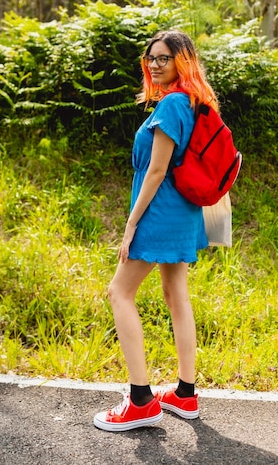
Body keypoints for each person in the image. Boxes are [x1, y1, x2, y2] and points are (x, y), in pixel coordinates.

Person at [93, 29, 219, 432]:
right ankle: (184, 393)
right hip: (184, 214)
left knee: (120, 292)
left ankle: (141, 399)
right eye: (150, 57)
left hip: (159, 214)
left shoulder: (170, 107)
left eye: (164, 57)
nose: (154, 64)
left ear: (182, 60)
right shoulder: (193, 103)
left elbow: (157, 170)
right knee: (175, 294)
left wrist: (130, 226)